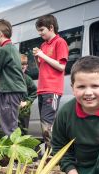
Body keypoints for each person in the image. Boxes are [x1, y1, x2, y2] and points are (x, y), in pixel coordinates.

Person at [33, 14, 69, 151]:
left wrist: (42, 55)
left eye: (42, 30)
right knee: (45, 123)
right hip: (42, 89)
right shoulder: (43, 45)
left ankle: (54, 154)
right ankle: (50, 153)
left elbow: (61, 66)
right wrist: (37, 58)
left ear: (51, 27)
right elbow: (41, 67)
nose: (40, 33)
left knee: (47, 123)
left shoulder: (60, 42)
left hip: (52, 89)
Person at [19, 54, 37, 134]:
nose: (23, 66)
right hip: (12, 110)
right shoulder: (10, 78)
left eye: (24, 64)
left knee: (23, 131)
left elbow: (35, 92)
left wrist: (26, 102)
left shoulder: (28, 79)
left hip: (24, 111)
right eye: (21, 64)